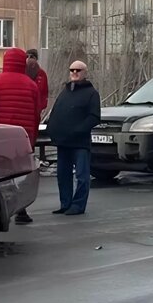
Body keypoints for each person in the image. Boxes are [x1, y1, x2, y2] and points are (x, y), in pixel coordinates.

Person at [0, 47, 42, 224]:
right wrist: (32, 139)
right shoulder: (31, 85)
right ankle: (21, 210)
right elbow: (36, 114)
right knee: (20, 174)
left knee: (1, 174)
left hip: (1, 138)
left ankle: (1, 211)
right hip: (23, 139)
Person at [46, 60, 101, 216]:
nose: (74, 73)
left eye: (78, 70)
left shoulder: (91, 93)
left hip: (80, 143)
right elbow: (55, 112)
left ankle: (78, 205)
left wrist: (78, 130)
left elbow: (94, 117)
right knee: (63, 175)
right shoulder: (65, 92)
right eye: (72, 70)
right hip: (63, 142)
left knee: (82, 176)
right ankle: (65, 203)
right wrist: (51, 129)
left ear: (85, 73)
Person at [25, 49, 49, 116]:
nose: (29, 59)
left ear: (36, 59)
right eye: (27, 56)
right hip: (24, 107)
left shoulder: (41, 74)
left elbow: (44, 92)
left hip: (36, 110)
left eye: (31, 57)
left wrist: (40, 107)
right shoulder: (22, 72)